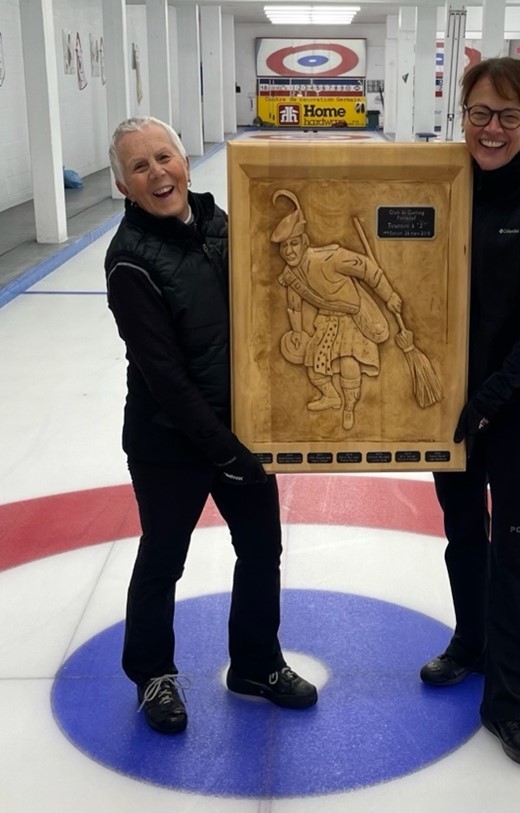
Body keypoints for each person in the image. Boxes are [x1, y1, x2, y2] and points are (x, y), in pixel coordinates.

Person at [105, 116, 317, 734]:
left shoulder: (222, 225)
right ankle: (153, 675)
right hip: (169, 441)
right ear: (123, 187)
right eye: (139, 167)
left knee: (261, 550)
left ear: (185, 162)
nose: (157, 173)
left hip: (241, 429)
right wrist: (225, 450)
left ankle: (255, 663)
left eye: (163, 157)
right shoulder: (130, 263)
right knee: (163, 557)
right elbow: (165, 378)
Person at [419, 58, 520, 766]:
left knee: (513, 551)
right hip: (450, 412)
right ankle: (471, 642)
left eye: (508, 116)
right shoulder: (443, 186)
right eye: (480, 113)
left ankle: (511, 702)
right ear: (462, 114)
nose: (492, 129)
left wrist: (489, 398)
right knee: (463, 536)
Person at [272, 189, 403, 430]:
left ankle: (349, 407)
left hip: (354, 316)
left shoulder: (330, 258)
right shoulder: (291, 274)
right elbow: (294, 304)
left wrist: (390, 296)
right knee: (314, 365)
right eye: (284, 247)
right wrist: (298, 332)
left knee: (348, 362)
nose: (289, 251)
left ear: (304, 242)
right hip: (326, 319)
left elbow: (367, 269)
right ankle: (331, 397)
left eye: (293, 243)